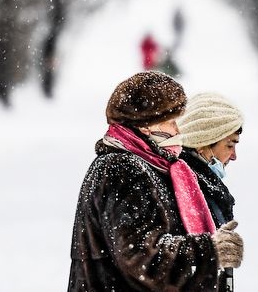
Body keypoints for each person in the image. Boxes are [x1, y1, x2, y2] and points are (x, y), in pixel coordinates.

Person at [68, 71, 244, 291]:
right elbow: (140, 257)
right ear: (146, 125)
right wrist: (209, 251)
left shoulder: (145, 166)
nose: (178, 131)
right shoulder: (122, 168)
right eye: (171, 122)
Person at [177, 93, 244, 292]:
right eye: (229, 145)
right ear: (202, 143)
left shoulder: (205, 186)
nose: (234, 156)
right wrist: (211, 250)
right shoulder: (186, 190)